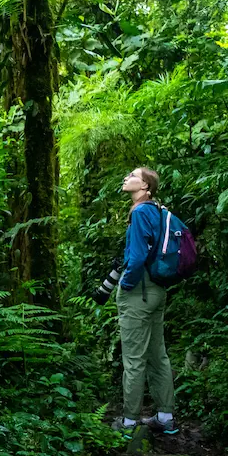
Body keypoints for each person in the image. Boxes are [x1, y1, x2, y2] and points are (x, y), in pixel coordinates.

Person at [98, 167, 179, 435]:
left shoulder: (141, 211)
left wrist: (126, 284)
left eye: (132, 176)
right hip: (157, 289)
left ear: (145, 187)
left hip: (139, 292)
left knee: (133, 358)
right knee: (158, 356)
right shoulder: (157, 210)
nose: (125, 178)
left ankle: (130, 421)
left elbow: (136, 257)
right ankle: (165, 417)